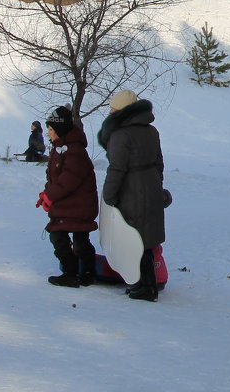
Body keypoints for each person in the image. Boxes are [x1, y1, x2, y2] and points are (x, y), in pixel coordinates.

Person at [98, 90, 166, 302]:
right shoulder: (151, 131)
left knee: (133, 239)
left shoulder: (121, 135)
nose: (110, 111)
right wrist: (155, 185)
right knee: (146, 240)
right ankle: (147, 284)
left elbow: (116, 169)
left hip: (131, 191)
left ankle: (143, 287)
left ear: (121, 111)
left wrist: (108, 196)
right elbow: (159, 163)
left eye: (113, 108)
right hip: (150, 186)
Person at [38, 105, 99, 287]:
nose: (48, 133)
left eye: (51, 129)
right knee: (59, 237)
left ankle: (86, 273)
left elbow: (69, 179)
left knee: (79, 241)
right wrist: (46, 194)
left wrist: (50, 196)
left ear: (60, 129)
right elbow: (54, 178)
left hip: (79, 206)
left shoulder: (75, 151)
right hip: (66, 204)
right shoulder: (59, 149)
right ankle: (71, 272)